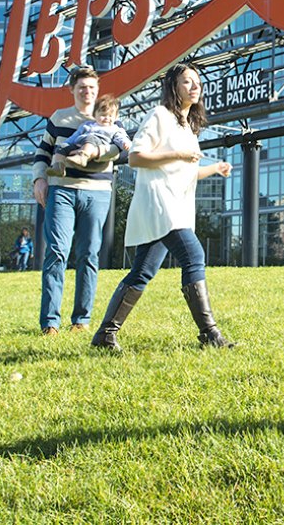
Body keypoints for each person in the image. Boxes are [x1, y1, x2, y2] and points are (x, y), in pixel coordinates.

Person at [92, 63, 234, 352]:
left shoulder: (188, 127)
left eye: (197, 82)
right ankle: (209, 333)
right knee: (194, 255)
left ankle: (105, 335)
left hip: (176, 205)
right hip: (160, 202)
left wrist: (214, 168)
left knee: (142, 271)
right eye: (186, 82)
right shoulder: (160, 115)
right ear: (173, 87)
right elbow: (136, 157)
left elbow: (185, 171)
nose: (195, 86)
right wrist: (178, 154)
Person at [32, 66, 123, 336]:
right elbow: (43, 152)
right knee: (57, 252)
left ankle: (81, 320)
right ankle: (50, 322)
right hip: (62, 191)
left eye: (92, 88)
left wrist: (94, 150)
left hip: (97, 194)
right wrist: (39, 179)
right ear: (72, 90)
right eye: (82, 87)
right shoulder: (60, 118)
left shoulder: (110, 119)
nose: (87, 92)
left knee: (89, 254)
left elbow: (119, 150)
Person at [46, 96, 131, 177]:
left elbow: (120, 138)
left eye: (110, 116)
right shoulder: (87, 125)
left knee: (90, 137)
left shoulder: (114, 128)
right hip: (79, 143)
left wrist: (125, 143)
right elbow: (76, 135)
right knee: (61, 147)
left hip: (98, 143)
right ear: (95, 115)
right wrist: (66, 144)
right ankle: (58, 166)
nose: (106, 118)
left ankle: (83, 157)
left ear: (116, 117)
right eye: (103, 115)